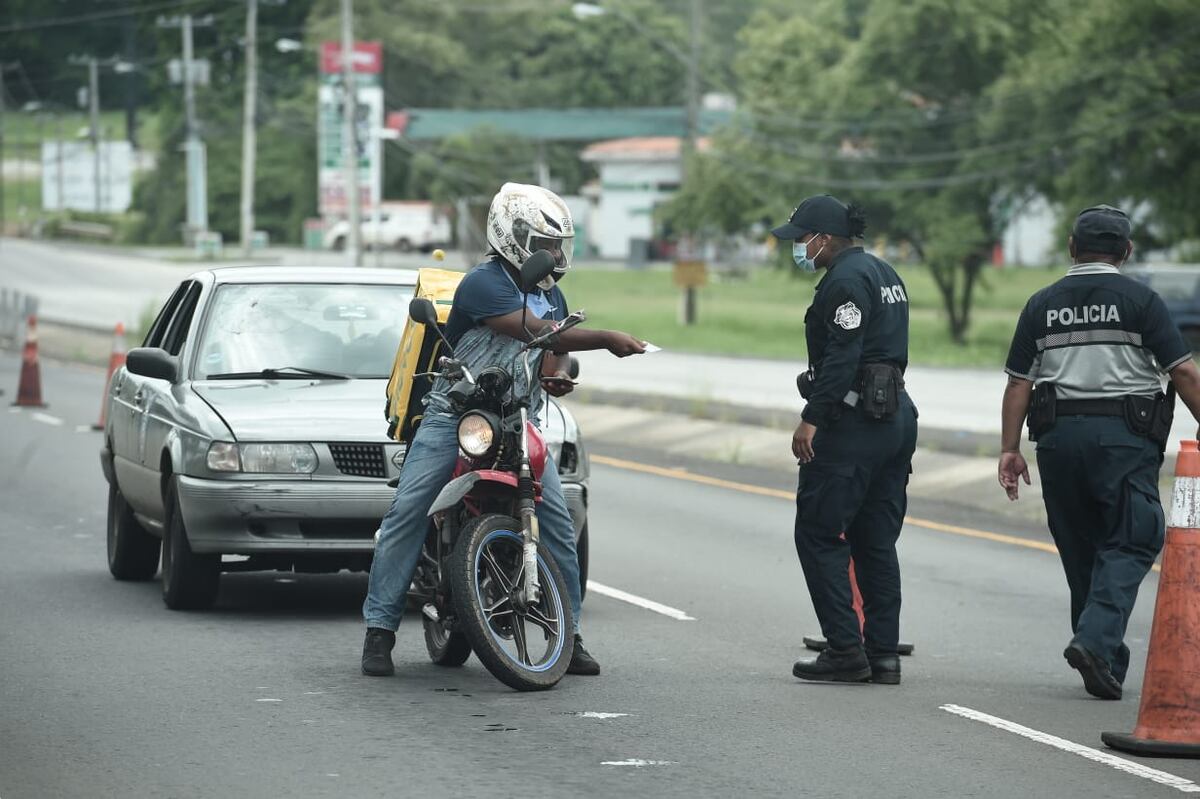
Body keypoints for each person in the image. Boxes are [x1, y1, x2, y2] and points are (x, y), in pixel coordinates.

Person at [360, 183, 645, 677]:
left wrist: (558, 375)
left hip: (517, 422)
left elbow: (553, 348)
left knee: (557, 524)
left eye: (558, 246)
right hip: (457, 416)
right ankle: (379, 631)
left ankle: (569, 634)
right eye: (544, 245)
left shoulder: (550, 292)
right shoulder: (483, 283)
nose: (554, 255)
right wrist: (606, 339)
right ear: (512, 238)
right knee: (409, 511)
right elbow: (533, 330)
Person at [998, 204, 1200, 700]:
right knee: (1134, 535)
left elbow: (1018, 384)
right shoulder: (1142, 301)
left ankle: (1103, 658)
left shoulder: (1041, 303)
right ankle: (1093, 641)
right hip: (1122, 440)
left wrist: (1009, 449)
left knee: (1081, 546)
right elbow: (1184, 372)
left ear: (1071, 247)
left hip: (1058, 442)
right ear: (1126, 251)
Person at [774, 194, 919, 685]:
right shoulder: (884, 273)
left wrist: (812, 418)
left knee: (817, 533)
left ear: (826, 239)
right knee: (875, 540)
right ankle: (882, 655)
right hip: (894, 417)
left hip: (854, 423)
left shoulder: (845, 281)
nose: (799, 249)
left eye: (802, 240)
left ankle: (844, 650)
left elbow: (842, 355)